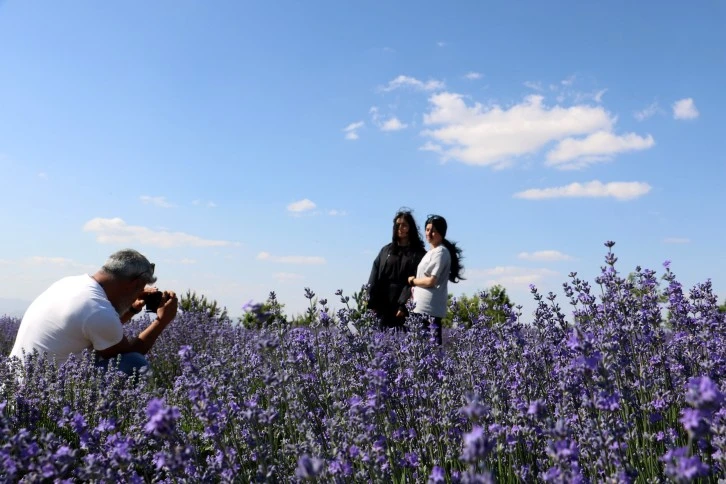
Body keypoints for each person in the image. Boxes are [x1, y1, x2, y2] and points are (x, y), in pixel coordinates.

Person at [10, 249, 178, 376]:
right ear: (135, 283)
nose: (140, 292)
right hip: (42, 392)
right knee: (135, 363)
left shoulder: (70, 283)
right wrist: (162, 321)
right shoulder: (97, 310)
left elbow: (99, 330)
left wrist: (132, 309)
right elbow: (129, 353)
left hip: (13, 384)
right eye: (140, 288)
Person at [408, 215, 464, 345]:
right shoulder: (432, 252)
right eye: (427, 229)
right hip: (420, 306)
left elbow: (431, 281)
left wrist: (413, 281)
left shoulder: (441, 252)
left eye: (433, 230)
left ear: (441, 233)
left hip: (428, 308)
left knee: (430, 349)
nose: (429, 233)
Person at [367, 209, 427, 331]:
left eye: (404, 225)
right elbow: (374, 277)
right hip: (383, 303)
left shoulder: (419, 253)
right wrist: (371, 301)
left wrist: (404, 305)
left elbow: (418, 281)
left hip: (406, 304)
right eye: (397, 225)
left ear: (411, 228)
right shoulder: (386, 251)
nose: (400, 228)